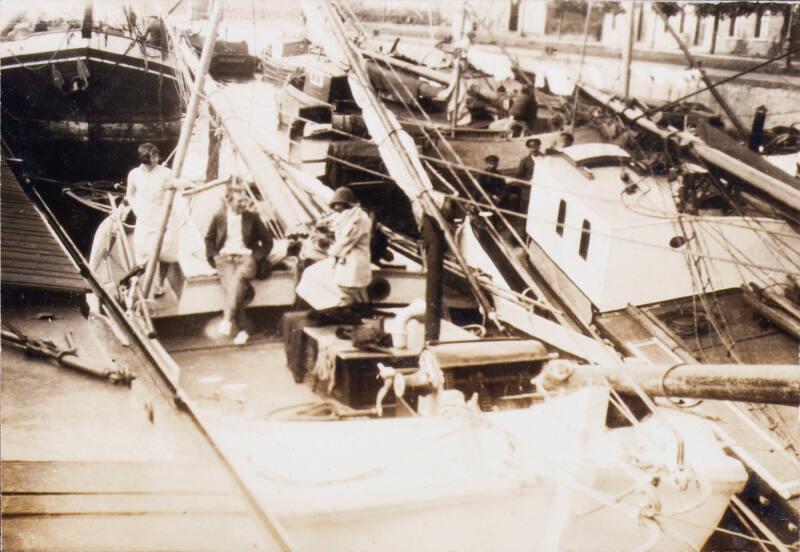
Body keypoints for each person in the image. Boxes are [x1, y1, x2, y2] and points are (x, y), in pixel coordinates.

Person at [205, 186, 274, 345]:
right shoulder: (219, 217)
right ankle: (243, 330)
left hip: (246, 258)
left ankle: (227, 319)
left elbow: (268, 241)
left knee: (236, 281)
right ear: (228, 201)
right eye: (239, 201)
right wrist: (214, 256)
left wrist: (256, 257)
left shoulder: (252, 217)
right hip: (225, 258)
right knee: (236, 289)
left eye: (245, 200)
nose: (244, 204)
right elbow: (209, 238)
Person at [125, 142, 178, 297]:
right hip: (144, 216)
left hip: (162, 216)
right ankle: (137, 282)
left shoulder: (166, 172)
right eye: (153, 156)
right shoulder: (134, 174)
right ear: (144, 158)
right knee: (141, 250)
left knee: (164, 252)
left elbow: (179, 186)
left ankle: (160, 284)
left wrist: (175, 185)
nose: (156, 159)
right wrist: (136, 210)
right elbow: (130, 194)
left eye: (157, 155)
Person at [328, 186, 372, 306]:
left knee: (349, 288)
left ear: (347, 204)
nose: (336, 208)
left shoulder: (357, 219)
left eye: (339, 204)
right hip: (349, 258)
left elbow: (346, 240)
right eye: (335, 204)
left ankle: (357, 312)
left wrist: (332, 252)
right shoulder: (346, 217)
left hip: (354, 259)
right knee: (357, 289)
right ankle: (362, 311)